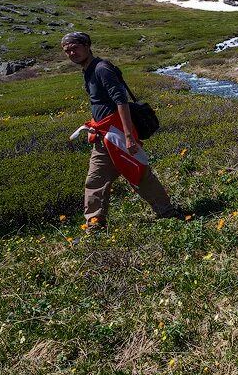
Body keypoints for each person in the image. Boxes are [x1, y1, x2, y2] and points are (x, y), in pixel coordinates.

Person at [62, 31, 179, 229]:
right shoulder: (88, 69)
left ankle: (167, 212)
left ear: (87, 46)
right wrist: (94, 123)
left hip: (117, 135)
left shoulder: (101, 69)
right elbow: (102, 104)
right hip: (103, 136)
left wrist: (128, 136)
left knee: (139, 174)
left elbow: (121, 100)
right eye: (67, 50)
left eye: (75, 48)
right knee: (95, 180)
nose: (72, 53)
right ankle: (95, 223)